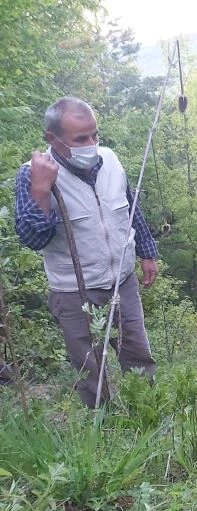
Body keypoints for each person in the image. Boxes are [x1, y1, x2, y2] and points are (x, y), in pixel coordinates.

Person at [14, 96, 158, 407]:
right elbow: (32, 238)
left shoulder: (110, 160)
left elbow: (130, 207)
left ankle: (146, 411)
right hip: (73, 291)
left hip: (122, 280)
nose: (91, 143)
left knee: (137, 351)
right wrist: (41, 189)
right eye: (81, 138)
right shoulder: (32, 174)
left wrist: (147, 252)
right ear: (52, 139)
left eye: (94, 134)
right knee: (88, 365)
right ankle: (101, 426)